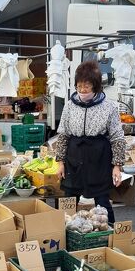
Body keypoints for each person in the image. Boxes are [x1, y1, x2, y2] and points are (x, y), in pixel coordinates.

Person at [56, 61, 125, 223]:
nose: (82, 90)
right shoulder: (69, 106)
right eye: (79, 86)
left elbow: (117, 137)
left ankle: (110, 235)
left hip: (99, 159)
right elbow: (63, 136)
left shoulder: (109, 107)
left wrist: (117, 166)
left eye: (86, 86)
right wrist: (60, 162)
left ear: (96, 86)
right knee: (68, 202)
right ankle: (64, 235)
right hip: (74, 158)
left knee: (102, 202)